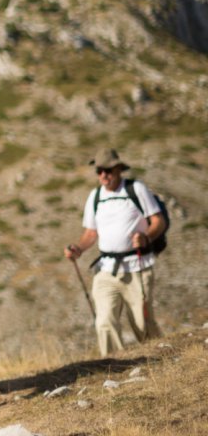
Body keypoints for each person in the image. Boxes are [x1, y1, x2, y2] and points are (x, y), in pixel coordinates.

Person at [64, 148, 164, 356]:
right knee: (104, 321)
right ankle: (115, 366)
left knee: (141, 322)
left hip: (137, 266)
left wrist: (145, 238)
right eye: (99, 171)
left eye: (107, 170)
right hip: (106, 269)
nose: (103, 175)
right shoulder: (95, 196)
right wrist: (78, 248)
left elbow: (158, 221)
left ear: (118, 169)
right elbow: (91, 232)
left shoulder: (136, 189)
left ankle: (159, 359)